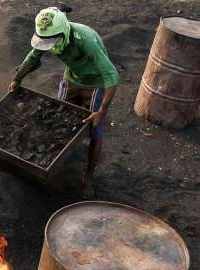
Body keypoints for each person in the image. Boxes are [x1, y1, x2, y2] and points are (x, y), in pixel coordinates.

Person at [9, 6, 120, 197]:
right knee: (59, 118)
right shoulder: (49, 36)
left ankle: (88, 177)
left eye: (51, 42)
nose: (49, 46)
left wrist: (101, 111)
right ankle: (54, 161)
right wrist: (17, 79)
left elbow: (112, 76)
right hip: (72, 77)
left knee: (94, 130)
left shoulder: (86, 41)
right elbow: (34, 57)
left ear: (64, 33)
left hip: (96, 82)